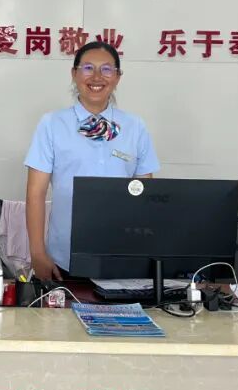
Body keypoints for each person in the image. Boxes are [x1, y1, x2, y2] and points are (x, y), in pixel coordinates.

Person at [23, 41, 159, 281]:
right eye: (88, 68)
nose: (97, 77)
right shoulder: (52, 124)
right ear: (74, 74)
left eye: (106, 69)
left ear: (117, 77)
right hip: (64, 257)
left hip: (122, 254)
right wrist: (37, 252)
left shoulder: (135, 127)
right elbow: (36, 193)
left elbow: (144, 194)